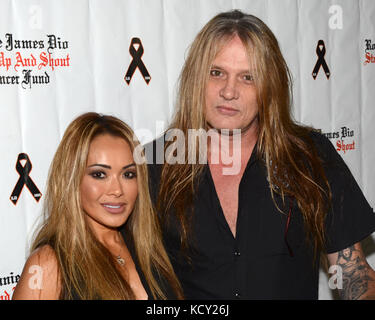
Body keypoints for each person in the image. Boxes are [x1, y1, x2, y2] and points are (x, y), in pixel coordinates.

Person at [145, 10, 375, 299]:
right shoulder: (154, 164)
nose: (229, 91)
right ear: (195, 78)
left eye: (248, 77)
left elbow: (353, 272)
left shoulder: (311, 157)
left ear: (269, 87)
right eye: (216, 73)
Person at [13, 112, 183, 300]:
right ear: (72, 179)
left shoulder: (150, 248)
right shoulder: (47, 264)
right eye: (99, 174)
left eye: (128, 174)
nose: (117, 190)